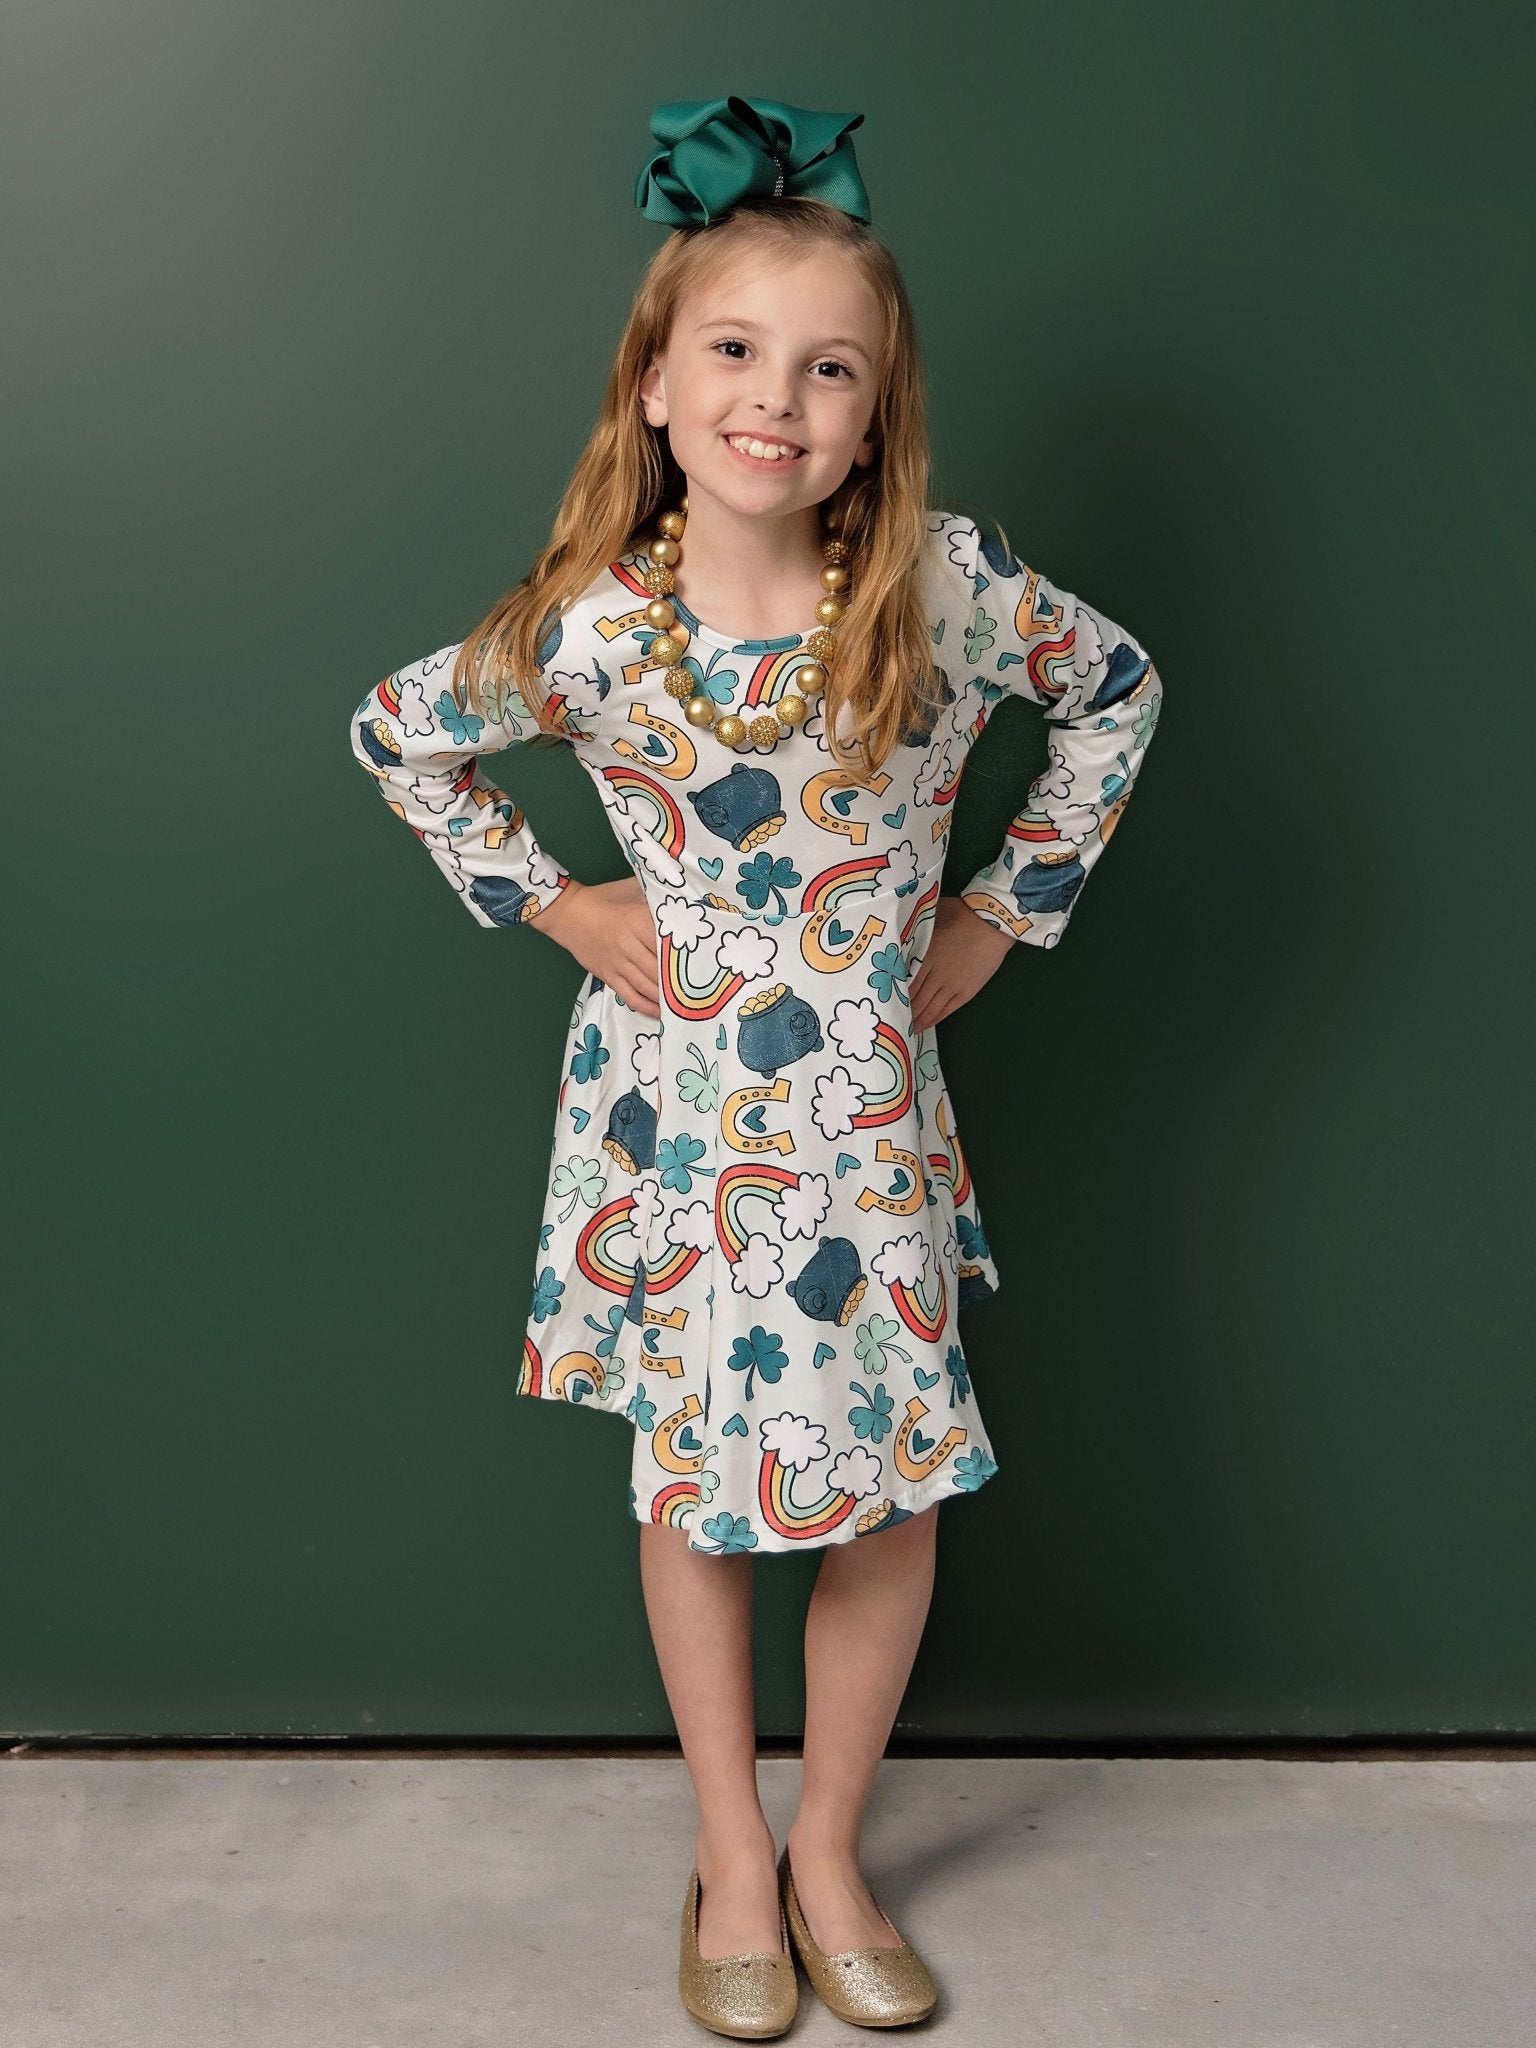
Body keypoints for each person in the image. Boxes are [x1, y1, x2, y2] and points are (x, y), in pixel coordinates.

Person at [348, 94, 1162, 2039]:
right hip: (674, 1115)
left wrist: (1002, 910)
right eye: (732, 349)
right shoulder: (598, 632)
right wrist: (559, 907)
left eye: (828, 369)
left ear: (875, 417)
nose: (774, 400)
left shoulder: (940, 590)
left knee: (887, 1499)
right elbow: (402, 734)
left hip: (864, 1115)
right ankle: (728, 1842)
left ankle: (826, 1844)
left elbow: (1117, 692)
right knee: (697, 1484)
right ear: (652, 377)